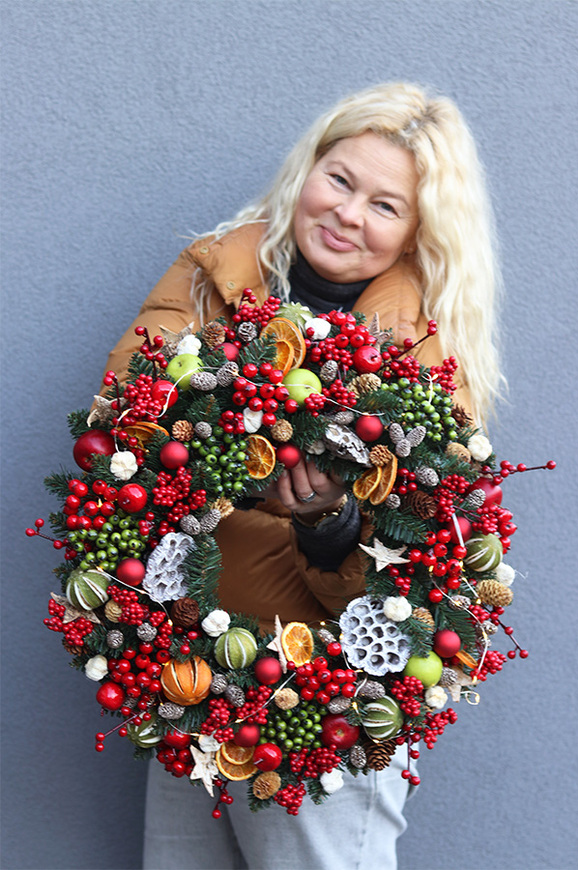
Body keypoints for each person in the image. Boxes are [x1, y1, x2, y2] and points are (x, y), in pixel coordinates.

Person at [100, 82, 503, 870]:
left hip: (321, 710)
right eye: (342, 180)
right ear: (308, 168)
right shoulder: (210, 273)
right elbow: (125, 419)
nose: (349, 213)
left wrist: (330, 524)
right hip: (190, 676)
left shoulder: (424, 360)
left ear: (418, 234)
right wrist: (242, 455)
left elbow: (418, 571)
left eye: (386, 206)